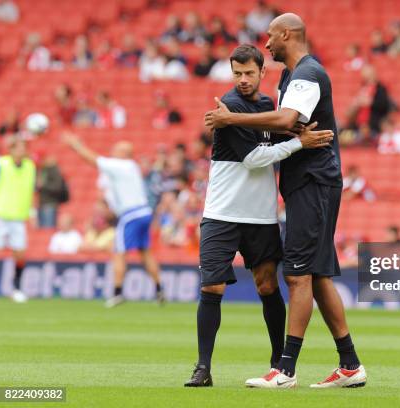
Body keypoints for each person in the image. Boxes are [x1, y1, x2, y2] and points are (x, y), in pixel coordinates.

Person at [205, 13, 366, 389]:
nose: (266, 45)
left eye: (271, 37)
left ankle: (286, 369)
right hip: (308, 182)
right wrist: (286, 126)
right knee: (319, 274)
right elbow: (290, 123)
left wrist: (232, 121)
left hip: (313, 181)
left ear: (287, 34)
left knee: (297, 274)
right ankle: (350, 364)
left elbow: (288, 118)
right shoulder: (291, 77)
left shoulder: (307, 74)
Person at [184, 44, 333, 387]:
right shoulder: (229, 107)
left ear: (263, 73)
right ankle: (203, 366)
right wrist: (300, 143)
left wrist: (298, 134)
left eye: (249, 73)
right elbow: (253, 159)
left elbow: (280, 132)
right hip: (222, 213)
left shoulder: (267, 106)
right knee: (213, 286)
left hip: (261, 216)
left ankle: (278, 363)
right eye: (237, 73)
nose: (243, 80)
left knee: (267, 286)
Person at [62, 132, 164, 308]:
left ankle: (117, 292)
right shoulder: (131, 166)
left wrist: (75, 145)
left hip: (130, 214)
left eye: (117, 149)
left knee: (118, 252)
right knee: (145, 251)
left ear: (124, 153)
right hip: (144, 212)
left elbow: (93, 160)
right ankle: (159, 289)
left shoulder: (120, 165)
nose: (113, 151)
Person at [0, 138, 35, 304]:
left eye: (23, 148)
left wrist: (33, 212)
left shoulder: (30, 167)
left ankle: (17, 288)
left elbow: (31, 190)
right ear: (10, 150)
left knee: (20, 254)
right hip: (0, 214)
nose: (21, 151)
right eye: (18, 148)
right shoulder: (1, 164)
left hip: (18, 217)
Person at [37, 154, 69, 228]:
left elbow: (57, 187)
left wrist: (43, 185)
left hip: (50, 205)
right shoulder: (42, 170)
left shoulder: (54, 170)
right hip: (42, 204)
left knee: (48, 230)